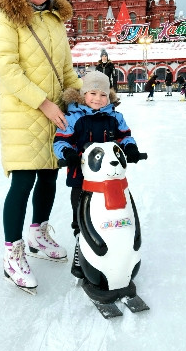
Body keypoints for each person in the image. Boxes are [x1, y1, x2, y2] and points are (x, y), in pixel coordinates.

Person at [0, 0, 82, 293]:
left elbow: (67, 71)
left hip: (55, 114)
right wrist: (42, 103)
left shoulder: (55, 21)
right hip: (25, 113)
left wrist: (91, 97)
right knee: (23, 180)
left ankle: (37, 235)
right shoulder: (6, 19)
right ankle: (12, 253)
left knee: (49, 176)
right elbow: (8, 71)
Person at [53, 71, 141, 278]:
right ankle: (80, 247)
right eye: (92, 93)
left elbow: (125, 137)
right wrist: (68, 153)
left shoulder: (114, 117)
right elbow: (61, 140)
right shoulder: (73, 117)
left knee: (113, 212)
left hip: (111, 177)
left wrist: (131, 149)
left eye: (103, 95)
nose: (98, 99)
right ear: (83, 94)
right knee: (82, 214)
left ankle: (118, 247)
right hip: (82, 178)